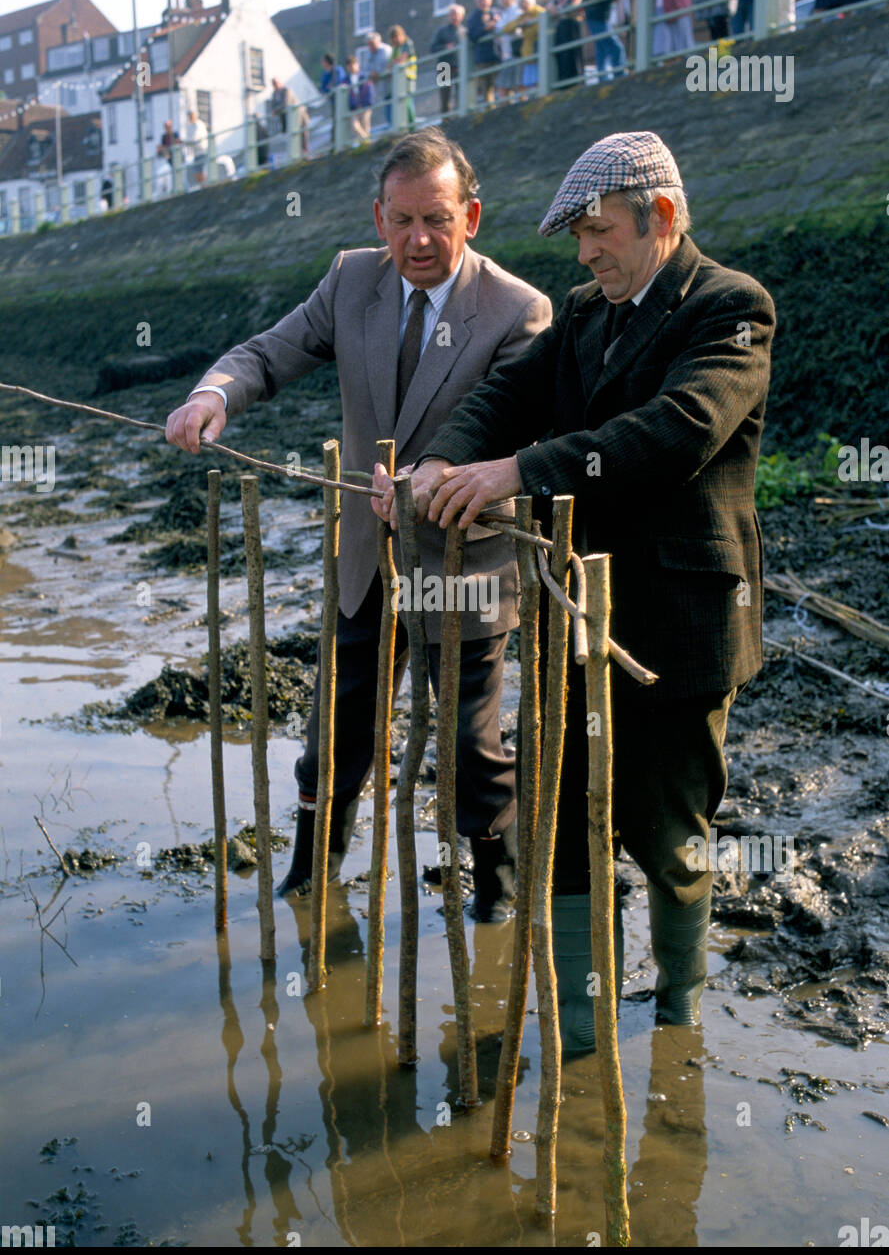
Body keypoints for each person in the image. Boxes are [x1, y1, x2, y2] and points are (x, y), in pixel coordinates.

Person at [380, 130, 775, 1051]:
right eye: (578, 239)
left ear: (662, 218)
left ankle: (676, 1016)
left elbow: (673, 432)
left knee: (669, 833)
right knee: (557, 827)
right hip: (569, 618)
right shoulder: (584, 315)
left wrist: (514, 472)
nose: (588, 251)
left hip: (676, 626)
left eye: (600, 232)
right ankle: (578, 1029)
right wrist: (444, 457)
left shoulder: (730, 309)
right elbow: (506, 394)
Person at [164, 129, 552, 918]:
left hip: (463, 560)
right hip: (366, 557)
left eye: (437, 220)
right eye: (402, 220)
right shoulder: (348, 281)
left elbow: (509, 423)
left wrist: (431, 478)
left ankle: (498, 900)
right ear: (379, 217)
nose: (418, 239)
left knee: (472, 747)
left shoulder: (517, 310)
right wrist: (213, 394)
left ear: (470, 216)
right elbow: (270, 352)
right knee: (334, 730)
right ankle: (310, 882)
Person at [582, 0, 628, 80]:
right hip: (598, 15)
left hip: (596, 14)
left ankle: (603, 78)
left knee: (602, 49)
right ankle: (619, 75)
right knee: (615, 47)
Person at [501, 0, 545, 96]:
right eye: (521, 4)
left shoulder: (539, 12)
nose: (523, 6)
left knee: (539, 78)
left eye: (525, 3)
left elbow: (540, 29)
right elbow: (506, 28)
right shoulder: (523, 16)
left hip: (537, 49)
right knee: (529, 81)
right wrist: (519, 24)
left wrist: (530, 22)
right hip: (528, 52)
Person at [547, 0, 585, 85]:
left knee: (574, 54)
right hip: (562, 26)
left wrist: (558, 10)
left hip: (573, 24)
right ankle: (564, 82)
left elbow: (573, 3)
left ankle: (577, 81)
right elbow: (550, 8)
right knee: (562, 54)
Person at [466, 0, 499, 107]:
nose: (484, 2)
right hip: (482, 58)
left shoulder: (495, 13)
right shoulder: (473, 18)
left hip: (498, 54)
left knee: (501, 83)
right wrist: (486, 28)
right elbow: (472, 35)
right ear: (476, 1)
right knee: (487, 87)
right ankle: (490, 110)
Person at [430, 3, 465, 115]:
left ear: (462, 16)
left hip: (459, 66)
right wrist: (445, 47)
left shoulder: (464, 31)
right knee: (444, 95)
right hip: (443, 66)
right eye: (452, 14)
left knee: (461, 93)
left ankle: (460, 117)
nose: (455, 17)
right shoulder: (441, 31)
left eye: (457, 14)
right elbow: (432, 48)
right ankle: (445, 120)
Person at [493, 0, 522, 101]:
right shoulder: (503, 14)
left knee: (518, 82)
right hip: (506, 54)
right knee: (503, 85)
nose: (504, 0)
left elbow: (516, 27)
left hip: (516, 52)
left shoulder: (517, 11)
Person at [387, 25, 417, 129]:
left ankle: (413, 126)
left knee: (408, 102)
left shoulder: (407, 44)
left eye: (397, 36)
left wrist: (394, 63)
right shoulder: (395, 49)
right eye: (393, 37)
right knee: (402, 103)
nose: (396, 39)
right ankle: (406, 127)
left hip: (408, 76)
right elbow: (390, 64)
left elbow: (402, 59)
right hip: (399, 80)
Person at [365, 32, 393, 127]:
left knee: (395, 106)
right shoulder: (369, 54)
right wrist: (370, 74)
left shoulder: (386, 50)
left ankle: (395, 128)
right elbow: (366, 70)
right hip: (382, 89)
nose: (370, 47)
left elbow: (389, 66)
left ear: (378, 42)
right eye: (368, 45)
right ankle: (392, 127)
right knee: (388, 107)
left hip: (392, 85)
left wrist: (378, 74)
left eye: (372, 44)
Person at [344, 54, 373, 143]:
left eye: (353, 64)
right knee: (354, 125)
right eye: (349, 65)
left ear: (357, 64)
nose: (352, 67)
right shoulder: (346, 80)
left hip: (365, 105)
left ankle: (364, 143)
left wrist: (368, 103)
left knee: (365, 125)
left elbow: (369, 91)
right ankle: (366, 141)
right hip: (354, 107)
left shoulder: (364, 76)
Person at [184, 109, 208, 187]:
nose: (190, 117)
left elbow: (194, 139)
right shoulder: (190, 126)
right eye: (189, 116)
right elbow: (189, 140)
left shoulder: (199, 125)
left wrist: (183, 141)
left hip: (203, 151)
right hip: (196, 153)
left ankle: (204, 186)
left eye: (191, 115)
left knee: (201, 171)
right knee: (197, 171)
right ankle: (202, 186)